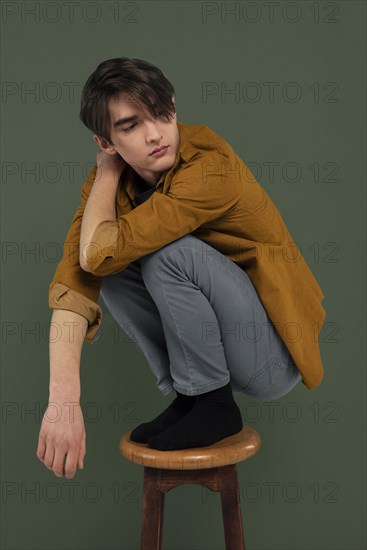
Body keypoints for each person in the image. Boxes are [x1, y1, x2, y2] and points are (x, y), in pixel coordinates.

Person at [37, 57, 326, 478]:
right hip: (219, 345)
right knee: (110, 267)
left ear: (174, 105)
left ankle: (213, 403)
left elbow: (100, 251)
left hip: (270, 352)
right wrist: (62, 404)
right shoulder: (111, 183)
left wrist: (105, 174)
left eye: (162, 113)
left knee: (166, 253)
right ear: (106, 143)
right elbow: (77, 281)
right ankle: (193, 397)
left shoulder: (210, 165)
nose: (156, 134)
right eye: (132, 125)